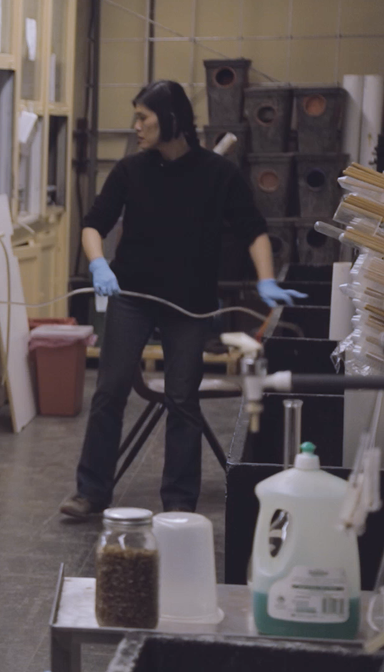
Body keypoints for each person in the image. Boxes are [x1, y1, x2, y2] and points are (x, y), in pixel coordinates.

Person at [59, 80, 305, 519]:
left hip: (189, 305)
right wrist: (99, 263)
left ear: (170, 121)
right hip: (131, 296)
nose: (135, 127)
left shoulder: (218, 174)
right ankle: (91, 492)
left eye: (143, 119)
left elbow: (253, 230)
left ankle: (178, 501)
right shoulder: (132, 170)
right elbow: (94, 223)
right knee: (110, 391)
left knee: (182, 400)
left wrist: (266, 281)